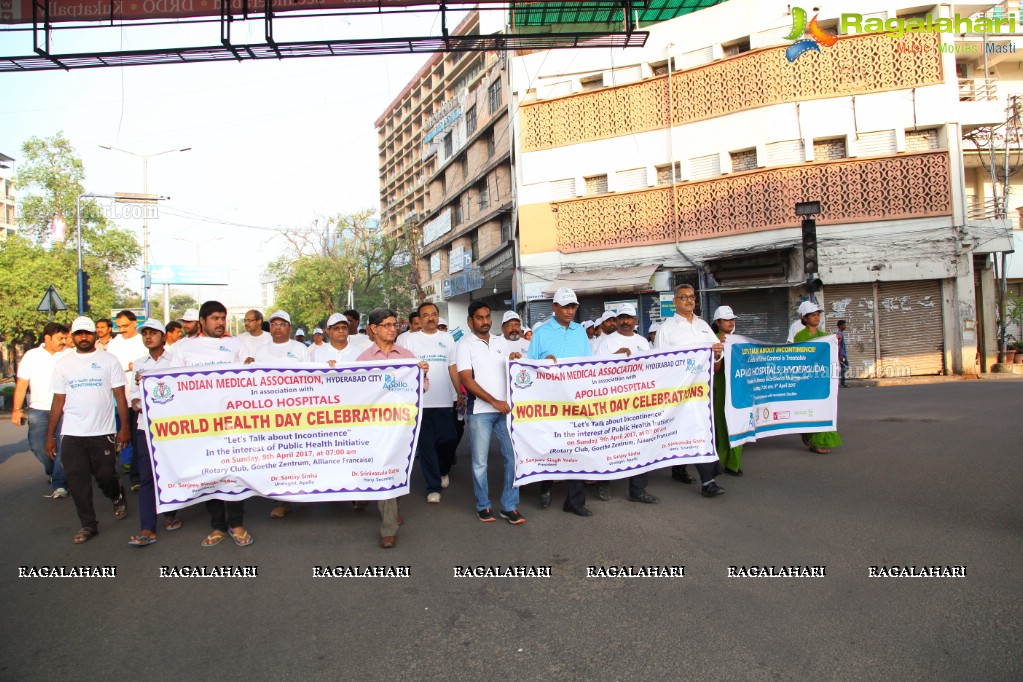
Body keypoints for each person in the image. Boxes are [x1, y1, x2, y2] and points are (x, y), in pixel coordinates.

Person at [165, 300, 253, 547]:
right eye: (215, 318)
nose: (220, 322)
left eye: (223, 317)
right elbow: (171, 383)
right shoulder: (183, 348)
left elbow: (251, 377)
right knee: (209, 473)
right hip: (200, 426)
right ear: (202, 321)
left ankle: (237, 523)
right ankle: (217, 525)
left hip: (232, 423)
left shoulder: (236, 344)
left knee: (234, 473)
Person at [46, 317, 130, 544]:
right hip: (73, 433)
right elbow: (58, 401)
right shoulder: (63, 364)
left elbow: (120, 397)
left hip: (102, 432)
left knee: (104, 476)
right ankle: (88, 525)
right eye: (79, 334)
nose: (83, 337)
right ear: (73, 336)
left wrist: (124, 429)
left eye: (88, 333)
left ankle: (116, 494)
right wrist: (50, 436)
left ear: (95, 335)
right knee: (77, 480)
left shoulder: (109, 360)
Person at [356, 307, 431, 548]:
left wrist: (422, 374)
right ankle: (388, 527)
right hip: (376, 427)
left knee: (399, 468)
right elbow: (354, 393)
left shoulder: (407, 355)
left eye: (393, 324)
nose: (392, 329)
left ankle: (392, 506)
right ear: (374, 329)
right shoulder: (364, 360)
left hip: (402, 425)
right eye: (386, 325)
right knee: (383, 468)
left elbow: (424, 387)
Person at [654, 284, 726, 498]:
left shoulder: (703, 325)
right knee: (685, 430)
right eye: (683, 297)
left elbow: (716, 363)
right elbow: (658, 363)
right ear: (674, 301)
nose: (688, 300)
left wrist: (717, 353)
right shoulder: (666, 328)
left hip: (704, 391)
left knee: (701, 430)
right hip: (679, 392)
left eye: (692, 296)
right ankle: (700, 476)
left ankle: (705, 479)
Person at [456, 301, 525, 524]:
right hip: (480, 411)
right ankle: (483, 505)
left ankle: (509, 505)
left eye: (487, 317)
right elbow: (466, 379)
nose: (485, 321)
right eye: (480, 318)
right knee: (480, 463)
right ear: (470, 321)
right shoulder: (464, 345)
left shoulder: (500, 342)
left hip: (505, 410)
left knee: (513, 457)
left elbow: (507, 369)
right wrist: (494, 401)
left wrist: (513, 361)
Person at [528, 287, 593, 516]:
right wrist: (542, 362)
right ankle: (545, 486)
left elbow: (589, 365)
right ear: (554, 307)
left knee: (578, 448)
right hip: (550, 402)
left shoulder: (580, 332)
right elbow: (529, 367)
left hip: (576, 401)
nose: (570, 311)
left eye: (573, 306)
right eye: (565, 306)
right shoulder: (541, 333)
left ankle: (575, 501)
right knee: (550, 445)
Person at [592, 303, 658, 503]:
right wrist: (615, 357)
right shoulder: (607, 343)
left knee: (640, 445)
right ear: (617, 320)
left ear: (636, 321)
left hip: (637, 402)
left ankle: (638, 490)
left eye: (629, 317)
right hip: (612, 403)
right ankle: (604, 482)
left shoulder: (642, 342)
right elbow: (594, 371)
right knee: (609, 445)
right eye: (622, 318)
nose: (625, 321)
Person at [397, 302, 462, 502]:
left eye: (433, 314)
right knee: (426, 446)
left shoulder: (447, 338)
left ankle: (443, 470)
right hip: (420, 402)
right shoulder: (409, 340)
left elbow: (452, 367)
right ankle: (433, 487)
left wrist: (459, 393)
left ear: (438, 316)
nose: (430, 318)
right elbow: (404, 369)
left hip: (444, 400)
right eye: (426, 315)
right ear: (419, 319)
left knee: (449, 438)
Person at [251, 310, 312, 519]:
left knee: (297, 455)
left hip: (296, 412)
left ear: (290, 327)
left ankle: (299, 492)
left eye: (282, 323)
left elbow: (310, 378)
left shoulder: (300, 349)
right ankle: (281, 498)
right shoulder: (261, 351)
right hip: (271, 413)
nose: (278, 327)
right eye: (274, 324)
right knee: (278, 457)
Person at [127, 319, 180, 546]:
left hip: (172, 428)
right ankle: (147, 527)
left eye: (153, 333)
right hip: (145, 427)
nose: (148, 337)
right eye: (145, 333)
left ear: (163, 336)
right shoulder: (139, 364)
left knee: (171, 472)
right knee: (148, 477)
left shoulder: (176, 361)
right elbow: (132, 395)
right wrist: (137, 401)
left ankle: (171, 512)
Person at [11, 322, 70, 498]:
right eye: (60, 338)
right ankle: (54, 472)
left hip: (65, 410)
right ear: (47, 338)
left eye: (65, 338)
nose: (63, 342)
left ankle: (60, 483)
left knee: (63, 446)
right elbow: (22, 384)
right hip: (39, 409)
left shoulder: (69, 355)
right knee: (37, 446)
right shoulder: (31, 356)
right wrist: (16, 409)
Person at [794, 301, 843, 454]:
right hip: (806, 379)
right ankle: (807, 433)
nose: (816, 317)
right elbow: (797, 357)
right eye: (812, 315)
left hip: (821, 379)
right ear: (805, 318)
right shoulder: (799, 336)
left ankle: (818, 441)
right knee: (808, 408)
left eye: (817, 314)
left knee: (822, 409)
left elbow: (832, 355)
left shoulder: (825, 336)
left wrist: (837, 343)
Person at [107, 310, 147, 490]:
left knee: (138, 436)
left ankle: (136, 476)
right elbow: (111, 367)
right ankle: (128, 465)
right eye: (119, 326)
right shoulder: (114, 344)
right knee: (124, 434)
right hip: (120, 398)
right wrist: (128, 365)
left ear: (134, 323)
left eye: (125, 325)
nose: (122, 329)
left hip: (139, 397)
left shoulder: (142, 340)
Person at [710, 307, 744, 476]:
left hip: (738, 387)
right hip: (720, 388)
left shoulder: (738, 340)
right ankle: (721, 460)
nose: (731, 322)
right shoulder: (712, 340)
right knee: (721, 426)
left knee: (738, 422)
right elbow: (714, 368)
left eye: (732, 319)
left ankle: (734, 462)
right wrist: (720, 348)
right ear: (718, 322)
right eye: (727, 319)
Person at [836, 319, 850, 388]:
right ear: (840, 326)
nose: (845, 326)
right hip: (842, 355)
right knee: (845, 367)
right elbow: (838, 345)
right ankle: (842, 382)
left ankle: (841, 381)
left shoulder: (841, 333)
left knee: (844, 367)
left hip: (843, 354)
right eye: (844, 325)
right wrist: (840, 355)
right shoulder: (839, 334)